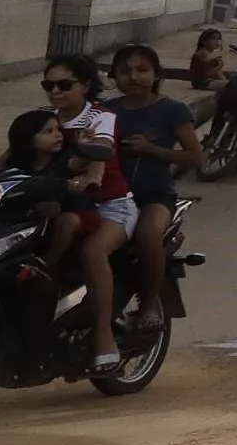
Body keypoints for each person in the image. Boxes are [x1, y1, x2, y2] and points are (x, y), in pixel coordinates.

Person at [34, 56, 129, 374]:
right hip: (62, 204)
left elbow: (101, 149)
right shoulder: (45, 119)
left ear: (86, 86)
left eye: (64, 85)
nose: (55, 91)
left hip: (112, 206)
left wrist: (92, 174)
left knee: (92, 251)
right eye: (49, 85)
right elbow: (13, 153)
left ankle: (104, 336)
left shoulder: (100, 118)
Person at [103, 44, 193, 329]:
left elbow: (194, 155)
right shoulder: (106, 111)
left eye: (142, 70)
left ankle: (150, 301)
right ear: (113, 77)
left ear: (156, 75)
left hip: (154, 196)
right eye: (125, 71)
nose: (134, 77)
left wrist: (151, 150)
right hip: (112, 196)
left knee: (147, 235)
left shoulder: (173, 111)